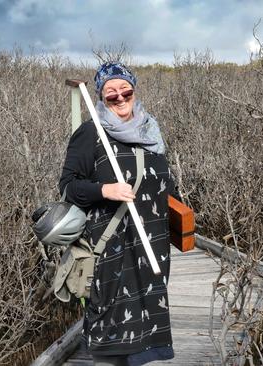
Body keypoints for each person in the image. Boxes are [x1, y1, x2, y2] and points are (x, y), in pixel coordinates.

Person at [59, 62, 176, 366]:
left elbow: (164, 183)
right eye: (111, 94)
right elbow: (68, 187)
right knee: (112, 341)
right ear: (101, 97)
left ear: (134, 91)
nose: (120, 98)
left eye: (126, 90)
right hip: (112, 250)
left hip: (152, 245)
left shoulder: (150, 130)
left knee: (145, 337)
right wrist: (105, 190)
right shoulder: (91, 133)